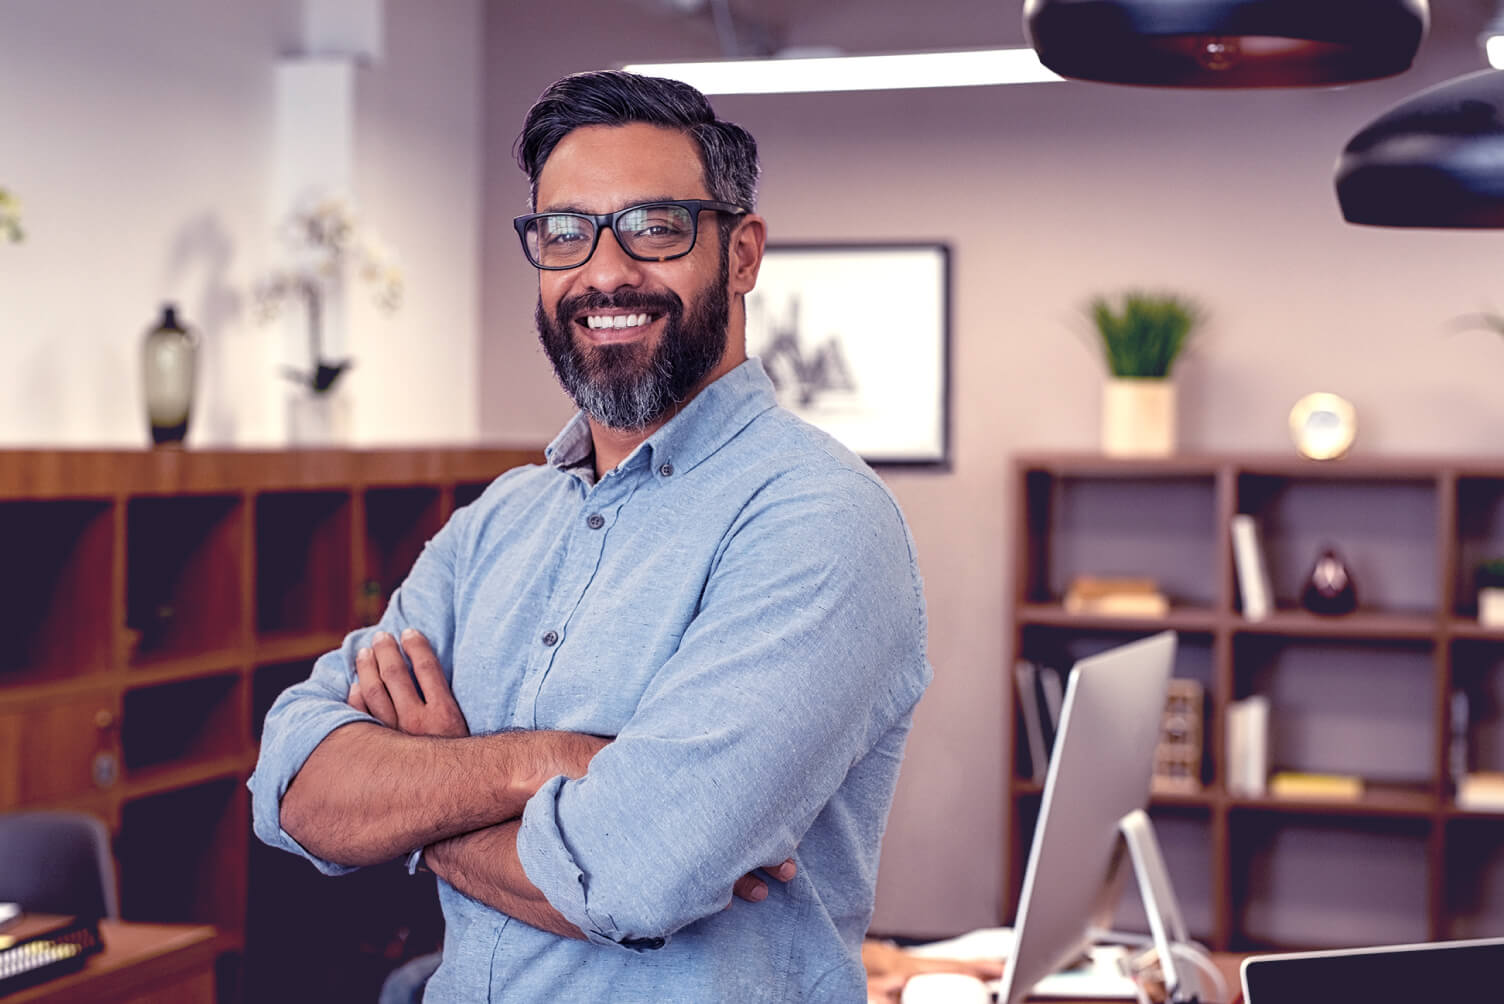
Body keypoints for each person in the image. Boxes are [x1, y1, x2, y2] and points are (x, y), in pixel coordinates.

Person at [249, 68, 930, 1001]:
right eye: (566, 232)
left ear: (741, 255)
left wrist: (419, 796)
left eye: (655, 226)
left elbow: (634, 878)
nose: (606, 272)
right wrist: (548, 760)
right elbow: (292, 785)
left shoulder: (818, 520)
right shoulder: (496, 524)